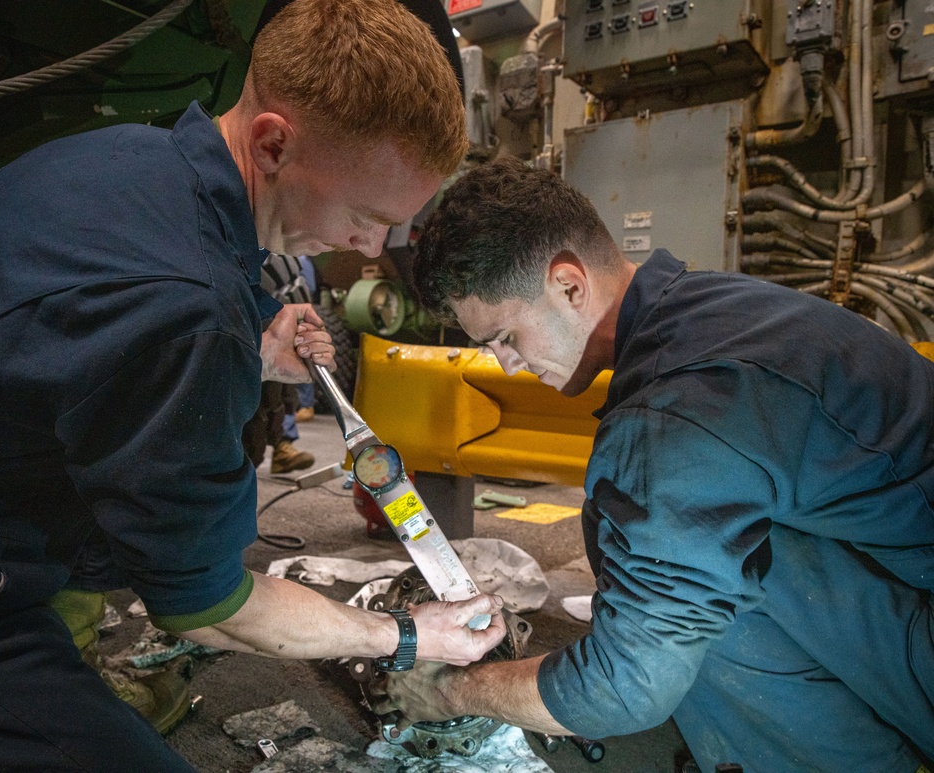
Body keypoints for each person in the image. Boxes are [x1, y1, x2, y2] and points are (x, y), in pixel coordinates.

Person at [0, 1, 506, 770]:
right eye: (366, 217)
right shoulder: (189, 306)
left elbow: (84, 351)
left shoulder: (129, 158)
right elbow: (208, 608)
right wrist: (406, 635)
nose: (369, 248)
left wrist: (258, 353)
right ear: (274, 143)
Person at [376, 156, 934, 772]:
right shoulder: (714, 309)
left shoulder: (679, 413)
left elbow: (623, 686)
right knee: (687, 563)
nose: (506, 364)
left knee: (691, 611)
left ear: (569, 285)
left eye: (505, 338)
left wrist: (451, 691)